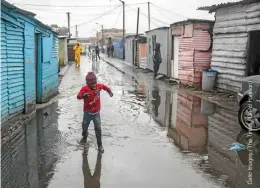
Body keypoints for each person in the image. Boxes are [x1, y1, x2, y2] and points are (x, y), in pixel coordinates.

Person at [77, 72, 113, 153]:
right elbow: (78, 96)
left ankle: (100, 145)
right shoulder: (84, 89)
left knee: (98, 128)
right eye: (91, 84)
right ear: (87, 83)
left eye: (95, 83)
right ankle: (85, 136)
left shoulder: (98, 86)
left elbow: (104, 87)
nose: (94, 85)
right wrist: (83, 96)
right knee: (84, 127)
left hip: (96, 113)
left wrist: (109, 91)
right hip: (87, 113)